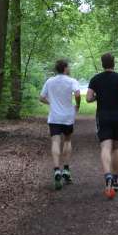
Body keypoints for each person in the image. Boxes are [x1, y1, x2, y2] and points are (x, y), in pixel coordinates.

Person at [86, 52, 118, 199]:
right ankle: (116, 179)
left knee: (105, 147)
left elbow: (88, 98)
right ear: (114, 63)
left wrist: (98, 96)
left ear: (102, 63)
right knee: (116, 147)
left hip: (103, 116)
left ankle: (108, 177)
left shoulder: (95, 79)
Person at [40, 59, 81, 190]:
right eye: (68, 67)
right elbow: (78, 93)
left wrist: (51, 103)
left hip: (54, 117)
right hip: (68, 117)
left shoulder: (49, 81)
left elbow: (41, 97)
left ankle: (57, 169)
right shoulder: (71, 80)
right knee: (67, 141)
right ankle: (66, 170)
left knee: (55, 142)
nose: (69, 69)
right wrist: (77, 105)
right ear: (64, 68)